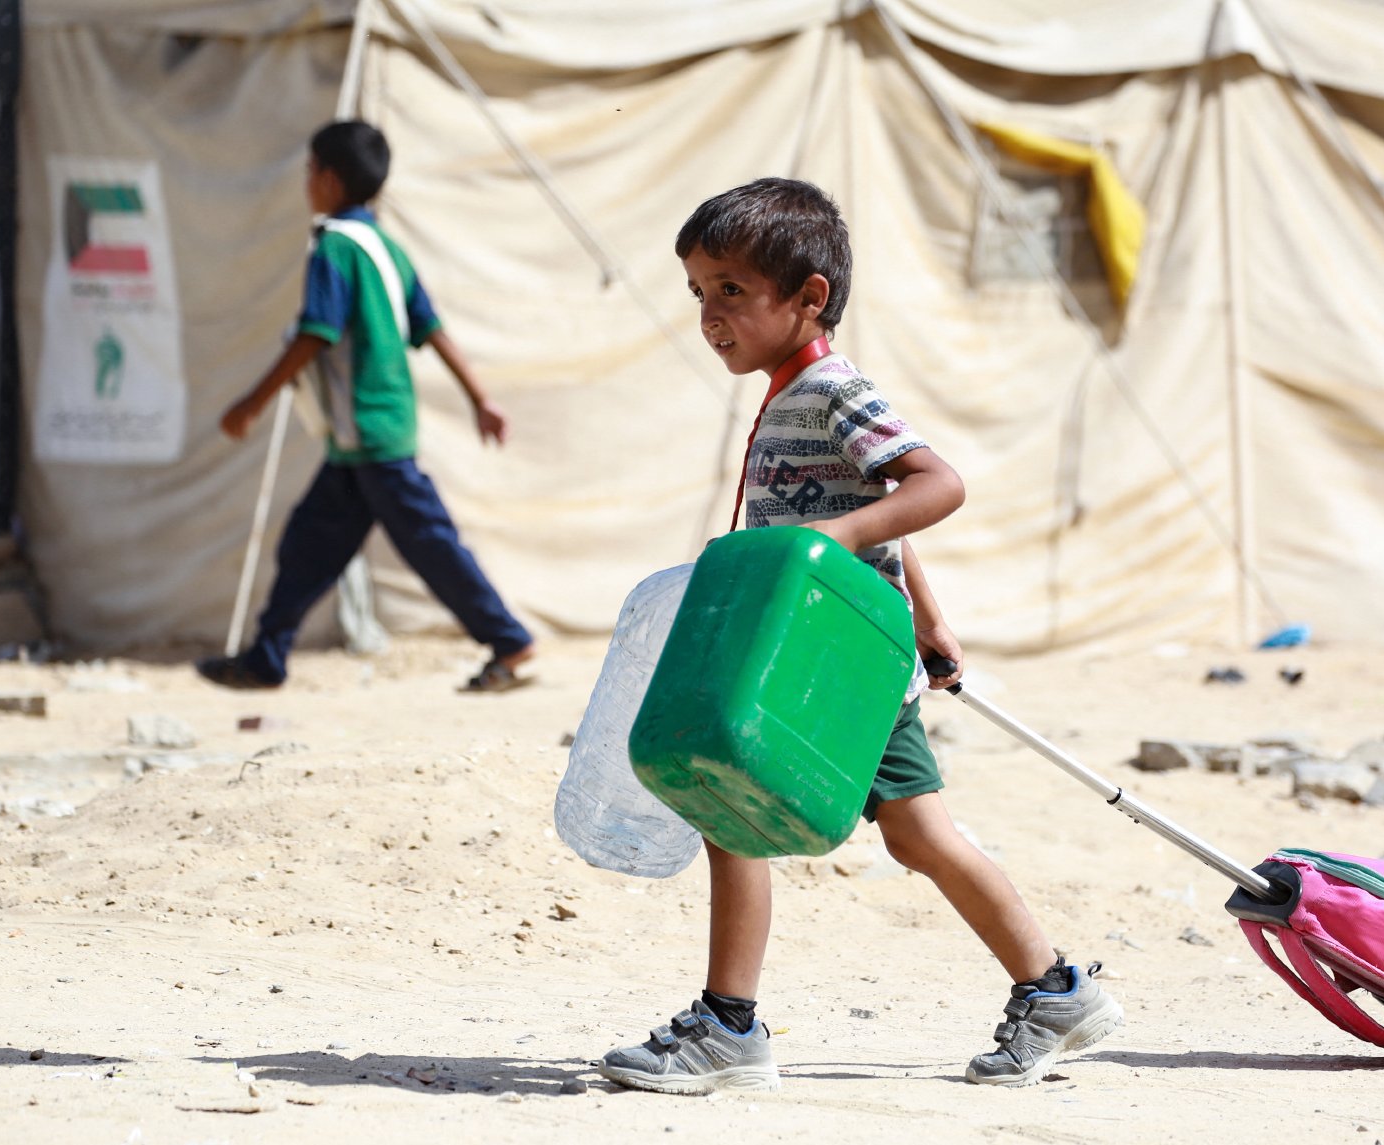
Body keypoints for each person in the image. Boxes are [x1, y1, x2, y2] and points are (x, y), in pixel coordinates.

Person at [597, 178, 1121, 1094]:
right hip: (827, 660)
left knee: (746, 818)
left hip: (832, 670)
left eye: (731, 291)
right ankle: (1054, 989)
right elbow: (881, 511)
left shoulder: (834, 390)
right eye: (699, 293)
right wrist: (927, 615)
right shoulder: (785, 391)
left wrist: (827, 543)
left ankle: (729, 1029)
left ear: (809, 298)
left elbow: (934, 482)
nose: (710, 314)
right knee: (916, 837)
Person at [196, 120, 534, 693]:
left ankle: (508, 639)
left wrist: (253, 402)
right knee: (307, 545)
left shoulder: (333, 248)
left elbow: (316, 333)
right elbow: (431, 328)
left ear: (327, 179)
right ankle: (265, 657)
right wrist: (480, 399)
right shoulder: (387, 248)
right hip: (363, 439)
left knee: (431, 545)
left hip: (371, 434)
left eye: (309, 172)